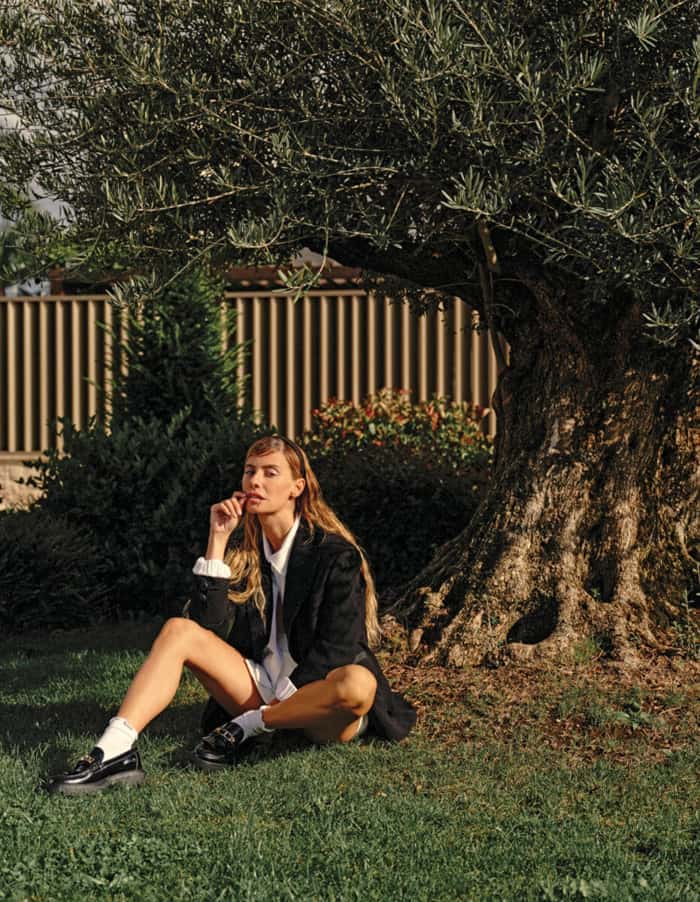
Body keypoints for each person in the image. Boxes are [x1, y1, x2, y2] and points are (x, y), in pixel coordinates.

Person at [48, 434, 416, 794]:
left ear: (297, 487)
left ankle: (251, 725)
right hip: (261, 686)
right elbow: (207, 627)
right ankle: (114, 749)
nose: (255, 481)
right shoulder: (244, 550)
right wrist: (218, 540)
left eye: (270, 472)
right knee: (178, 631)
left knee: (358, 683)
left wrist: (278, 703)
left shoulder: (334, 555)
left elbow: (339, 647)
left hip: (316, 703)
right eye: (249, 471)